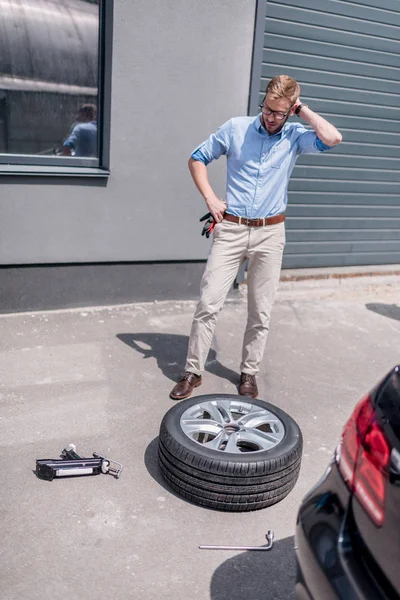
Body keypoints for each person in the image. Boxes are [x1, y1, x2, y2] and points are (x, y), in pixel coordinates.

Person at [170, 75, 342, 401]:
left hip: (270, 234)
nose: (271, 117)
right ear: (262, 101)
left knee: (260, 311)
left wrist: (301, 110)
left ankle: (248, 373)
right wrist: (210, 198)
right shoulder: (236, 128)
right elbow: (197, 158)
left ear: (290, 110)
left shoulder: (295, 136)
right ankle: (193, 372)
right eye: (267, 108)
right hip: (231, 230)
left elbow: (333, 138)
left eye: (279, 112)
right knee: (209, 303)